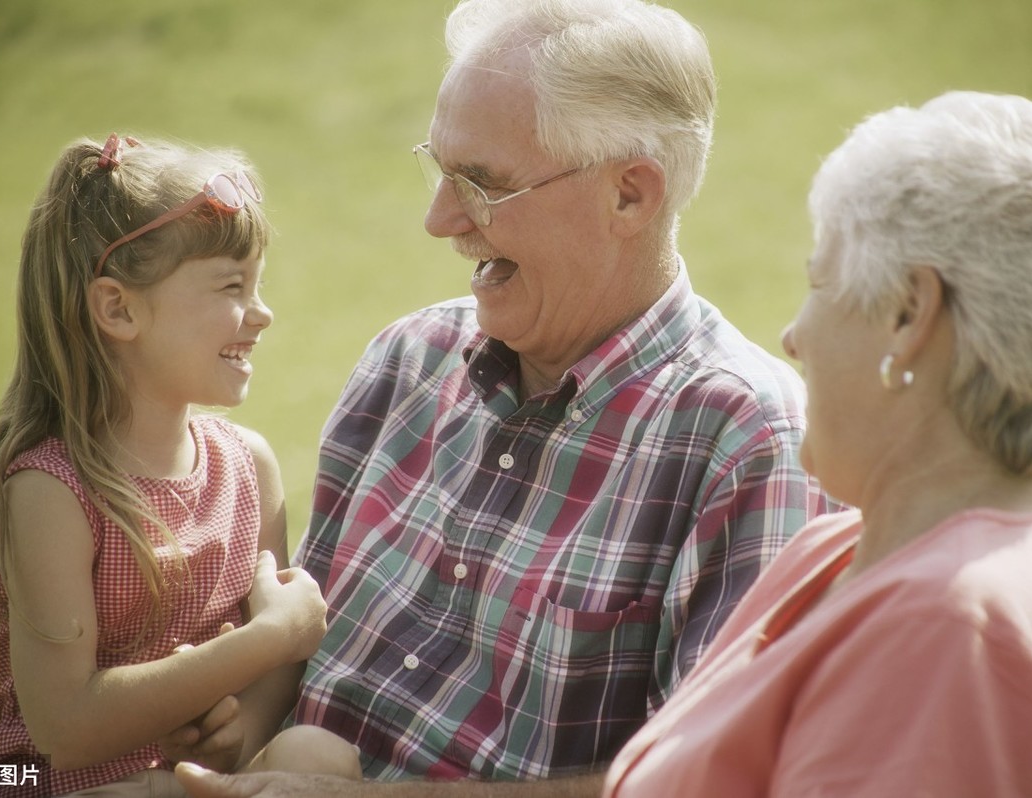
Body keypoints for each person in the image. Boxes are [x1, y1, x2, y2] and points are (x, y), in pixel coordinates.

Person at [171, 0, 835, 796]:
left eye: (482, 184)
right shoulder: (409, 359)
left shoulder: (748, 438)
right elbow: (290, 663)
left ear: (631, 195)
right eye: (441, 170)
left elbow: (712, 781)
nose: (439, 220)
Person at [600, 90, 1032, 797]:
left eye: (819, 281)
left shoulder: (947, 634)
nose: (793, 336)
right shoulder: (841, 546)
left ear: (909, 314)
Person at [0, 134, 356, 797]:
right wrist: (271, 638)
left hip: (182, 783)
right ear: (119, 309)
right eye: (233, 286)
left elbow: (271, 684)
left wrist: (239, 738)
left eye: (258, 284)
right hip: (33, 780)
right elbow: (65, 728)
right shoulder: (52, 492)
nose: (263, 313)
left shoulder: (247, 468)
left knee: (320, 756)